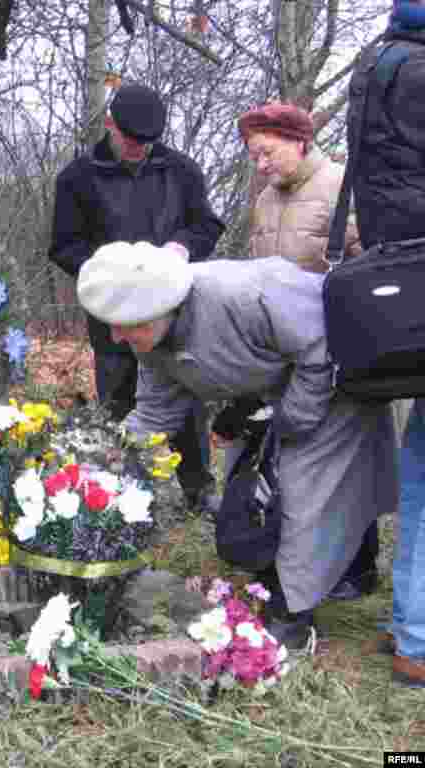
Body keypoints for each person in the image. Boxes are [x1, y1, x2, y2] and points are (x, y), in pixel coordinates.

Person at [76, 241, 398, 649]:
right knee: (246, 487)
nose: (116, 336)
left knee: (302, 489)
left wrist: (290, 424)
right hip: (275, 396)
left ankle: (291, 614)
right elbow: (154, 413)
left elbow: (320, 346)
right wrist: (107, 462)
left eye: (125, 323)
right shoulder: (152, 344)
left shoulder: (242, 295)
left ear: (160, 307)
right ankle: (341, 571)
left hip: (333, 386)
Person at [49, 83, 225, 516]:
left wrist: (181, 248)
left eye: (146, 143)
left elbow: (205, 226)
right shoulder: (78, 177)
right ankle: (119, 495)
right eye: (130, 141)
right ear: (110, 123)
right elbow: (63, 245)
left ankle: (198, 489)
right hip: (112, 314)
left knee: (185, 398)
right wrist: (105, 268)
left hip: (174, 311)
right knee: (118, 399)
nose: (138, 150)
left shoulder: (180, 171)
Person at [234, 102, 378, 603]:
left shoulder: (342, 186)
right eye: (253, 156)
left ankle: (358, 567)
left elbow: (372, 263)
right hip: (286, 351)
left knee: (347, 463)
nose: (261, 165)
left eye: (266, 153)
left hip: (339, 346)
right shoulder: (265, 196)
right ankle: (299, 556)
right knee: (297, 460)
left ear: (298, 141)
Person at [346, 0, 425, 687]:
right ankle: (418, 639)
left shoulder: (376, 66)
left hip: (401, 270)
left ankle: (407, 619)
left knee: (422, 466)